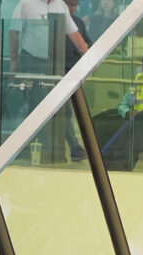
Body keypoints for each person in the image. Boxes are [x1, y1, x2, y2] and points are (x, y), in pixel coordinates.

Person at [9, 0, 89, 75]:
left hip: (54, 63)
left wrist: (89, 58)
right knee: (35, 89)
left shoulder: (60, 4)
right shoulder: (25, 3)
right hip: (31, 60)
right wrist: (14, 62)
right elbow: (13, 33)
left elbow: (74, 33)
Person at [62, 0, 92, 162]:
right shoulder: (56, 21)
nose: (72, 8)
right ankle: (74, 147)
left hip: (74, 74)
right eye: (69, 4)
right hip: (57, 72)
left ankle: (78, 146)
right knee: (65, 112)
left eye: (75, 5)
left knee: (75, 111)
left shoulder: (78, 22)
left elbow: (87, 43)